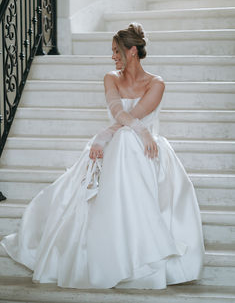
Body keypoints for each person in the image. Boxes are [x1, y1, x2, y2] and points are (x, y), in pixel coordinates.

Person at [0, 22, 205, 289]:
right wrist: (116, 135)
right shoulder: (111, 77)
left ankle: (137, 245)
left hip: (146, 151)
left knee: (126, 137)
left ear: (132, 51)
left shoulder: (156, 83)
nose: (113, 57)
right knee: (124, 137)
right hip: (119, 145)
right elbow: (119, 112)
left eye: (117, 52)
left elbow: (133, 118)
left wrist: (125, 134)